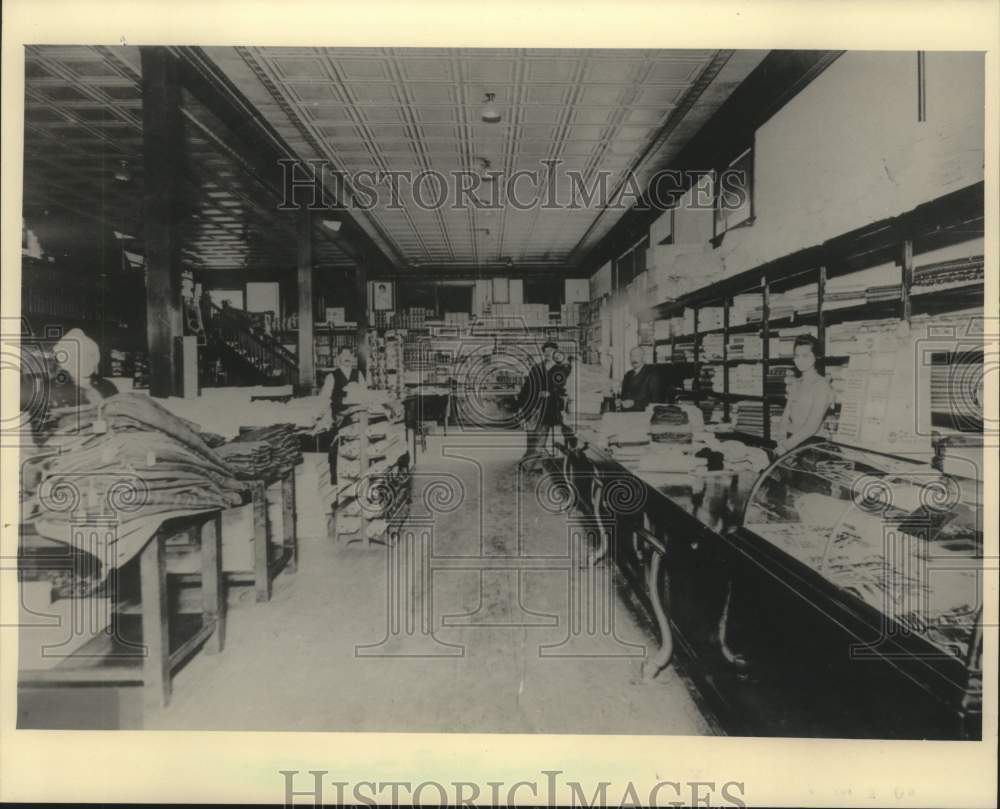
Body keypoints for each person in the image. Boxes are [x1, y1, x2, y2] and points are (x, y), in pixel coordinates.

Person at [774, 334, 834, 456]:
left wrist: (786, 446)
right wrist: (780, 439)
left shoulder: (822, 386)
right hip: (790, 442)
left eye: (805, 356)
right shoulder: (796, 383)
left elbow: (811, 427)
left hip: (811, 446)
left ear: (815, 357)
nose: (799, 360)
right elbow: (786, 415)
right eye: (796, 356)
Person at [517, 341, 568, 471]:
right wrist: (520, 404)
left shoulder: (561, 368)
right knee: (531, 434)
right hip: (533, 406)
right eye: (545, 351)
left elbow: (562, 387)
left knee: (541, 434)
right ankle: (530, 460)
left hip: (548, 406)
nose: (548, 354)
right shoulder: (537, 367)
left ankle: (533, 464)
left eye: (551, 351)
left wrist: (550, 392)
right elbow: (527, 387)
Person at [328, 345, 367, 482]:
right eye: (343, 356)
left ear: (353, 358)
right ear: (338, 358)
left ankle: (357, 483)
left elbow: (364, 395)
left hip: (356, 418)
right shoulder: (332, 376)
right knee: (337, 451)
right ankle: (336, 483)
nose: (347, 358)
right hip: (339, 419)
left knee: (358, 450)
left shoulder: (359, 374)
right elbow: (325, 399)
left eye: (349, 356)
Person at [618, 346, 662, 412]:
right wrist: (619, 401)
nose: (634, 359)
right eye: (632, 356)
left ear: (643, 357)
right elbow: (623, 397)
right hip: (625, 414)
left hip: (642, 415)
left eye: (637, 356)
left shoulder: (652, 374)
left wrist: (634, 403)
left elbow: (656, 400)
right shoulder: (627, 375)